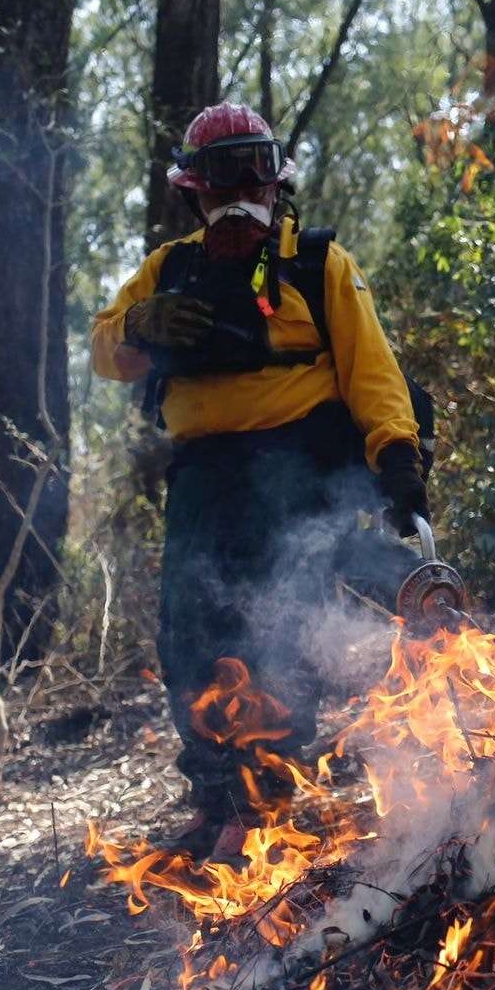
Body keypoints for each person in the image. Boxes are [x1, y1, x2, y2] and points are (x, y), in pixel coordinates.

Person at [89, 102, 428, 858]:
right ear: (195, 191)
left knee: (275, 634)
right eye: (221, 174)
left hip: (296, 474)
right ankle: (215, 799)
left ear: (276, 184)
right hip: (204, 480)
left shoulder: (319, 265)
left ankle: (265, 806)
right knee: (189, 638)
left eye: (254, 171)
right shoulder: (167, 270)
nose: (240, 189)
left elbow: (373, 372)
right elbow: (105, 350)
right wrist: (142, 326)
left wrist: (396, 455)